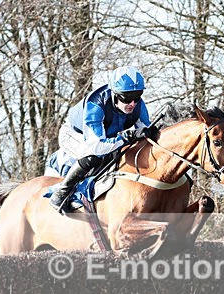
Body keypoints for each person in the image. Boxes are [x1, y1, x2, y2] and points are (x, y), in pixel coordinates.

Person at [45, 66, 160, 211]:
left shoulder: (138, 105)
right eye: (127, 98)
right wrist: (127, 136)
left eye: (137, 97)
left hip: (104, 138)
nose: (132, 103)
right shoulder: (95, 105)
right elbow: (96, 146)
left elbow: (147, 133)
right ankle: (61, 193)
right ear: (115, 93)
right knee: (93, 156)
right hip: (75, 135)